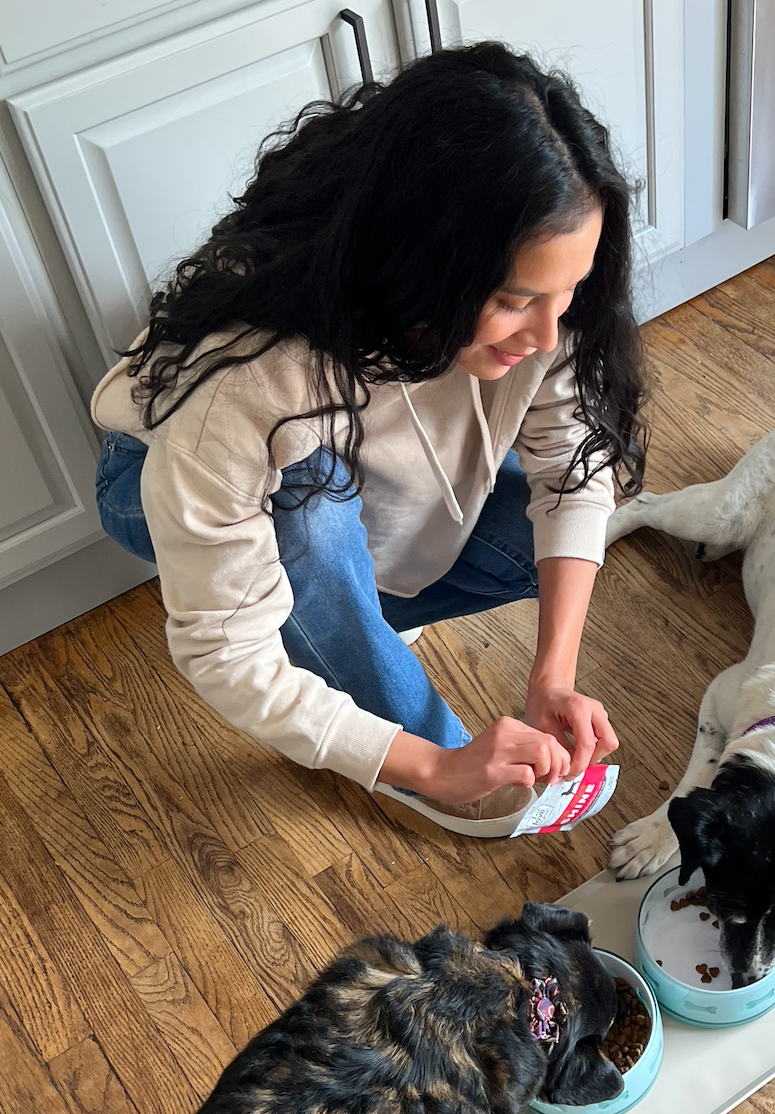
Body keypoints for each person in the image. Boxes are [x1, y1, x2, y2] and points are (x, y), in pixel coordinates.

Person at [92, 41, 647, 839]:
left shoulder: (543, 308)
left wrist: (552, 675)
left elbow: (572, 469)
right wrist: (435, 767)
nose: (550, 332)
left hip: (364, 466)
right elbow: (227, 652)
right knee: (312, 517)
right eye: (517, 299)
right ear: (425, 262)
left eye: (573, 291)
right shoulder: (252, 374)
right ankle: (410, 728)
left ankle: (342, 623)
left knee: (552, 545)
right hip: (153, 469)